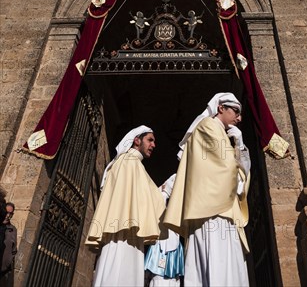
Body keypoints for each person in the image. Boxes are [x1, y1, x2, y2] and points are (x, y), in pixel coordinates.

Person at [164, 92, 251, 287]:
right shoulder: (208, 126)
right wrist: (239, 152)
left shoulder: (220, 131)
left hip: (219, 210)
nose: (239, 118)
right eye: (235, 111)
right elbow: (227, 167)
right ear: (221, 108)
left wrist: (240, 145)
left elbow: (236, 167)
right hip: (213, 211)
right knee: (218, 264)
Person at [85, 126, 166, 287]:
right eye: (150, 140)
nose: (153, 145)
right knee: (119, 271)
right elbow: (142, 197)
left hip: (129, 232)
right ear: (137, 140)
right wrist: (163, 194)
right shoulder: (129, 161)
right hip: (123, 232)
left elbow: (143, 194)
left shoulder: (134, 163)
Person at [144, 174, 184, 286]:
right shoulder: (160, 196)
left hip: (174, 245)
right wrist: (165, 192)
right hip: (162, 244)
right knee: (159, 279)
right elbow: (156, 204)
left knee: (173, 280)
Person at [0, 202, 17, 287]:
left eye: (11, 214)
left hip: (3, 272)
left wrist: (7, 264)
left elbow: (14, 250)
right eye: (7, 212)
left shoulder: (13, 230)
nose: (8, 216)